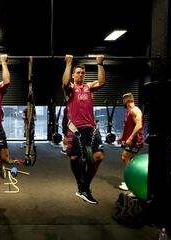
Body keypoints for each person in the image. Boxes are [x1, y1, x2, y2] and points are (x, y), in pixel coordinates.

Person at [62, 54, 106, 204]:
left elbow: (102, 81)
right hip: (75, 129)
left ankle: (84, 186)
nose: (81, 75)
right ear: (74, 75)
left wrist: (99, 63)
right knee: (74, 158)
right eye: (78, 72)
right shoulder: (70, 89)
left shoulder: (89, 87)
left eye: (83, 73)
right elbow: (65, 82)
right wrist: (69, 64)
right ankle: (82, 187)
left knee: (98, 157)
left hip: (91, 127)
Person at [117, 93, 144, 191]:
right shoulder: (129, 111)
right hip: (131, 140)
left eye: (122, 100)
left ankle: (130, 182)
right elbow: (129, 127)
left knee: (125, 157)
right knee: (131, 160)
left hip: (135, 141)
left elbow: (139, 125)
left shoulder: (135, 110)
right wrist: (122, 137)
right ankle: (133, 180)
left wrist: (130, 138)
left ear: (126, 100)